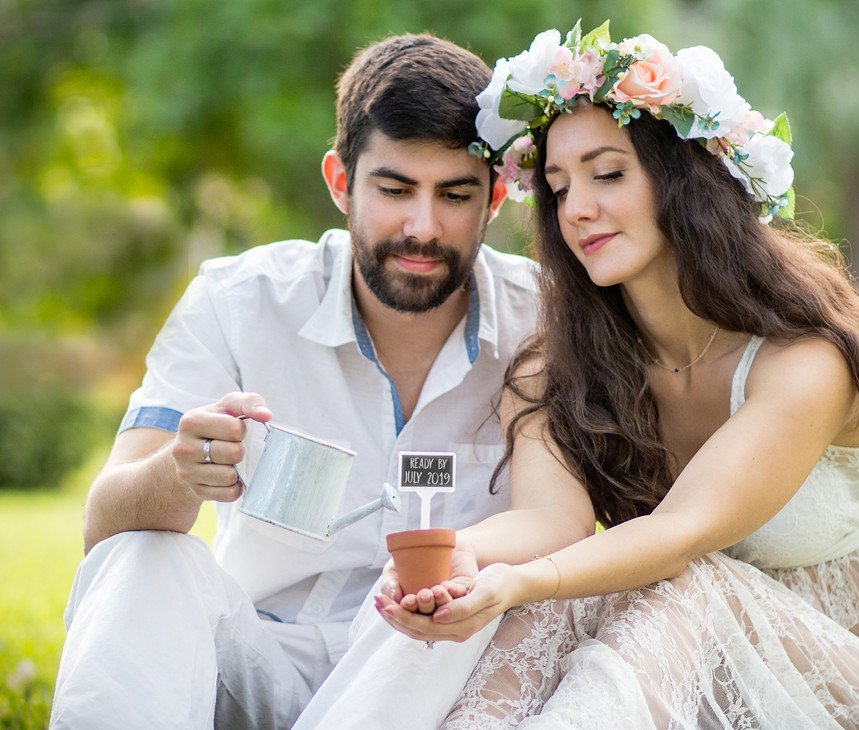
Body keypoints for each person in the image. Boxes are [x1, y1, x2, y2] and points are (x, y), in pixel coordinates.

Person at [317, 21, 859, 728]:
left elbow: (680, 534)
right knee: (546, 603)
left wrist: (520, 582)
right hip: (692, 668)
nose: (577, 209)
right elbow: (550, 523)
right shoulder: (557, 368)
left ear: (682, 179)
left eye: (607, 174)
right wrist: (457, 558)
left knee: (684, 585)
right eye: (558, 188)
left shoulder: (807, 363)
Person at [48, 33, 542, 730]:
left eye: (454, 195)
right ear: (341, 181)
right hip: (253, 658)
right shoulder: (237, 300)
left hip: (428, 673)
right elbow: (103, 522)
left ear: (494, 198)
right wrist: (178, 473)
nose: (423, 226)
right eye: (394, 189)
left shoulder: (544, 322)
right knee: (140, 553)